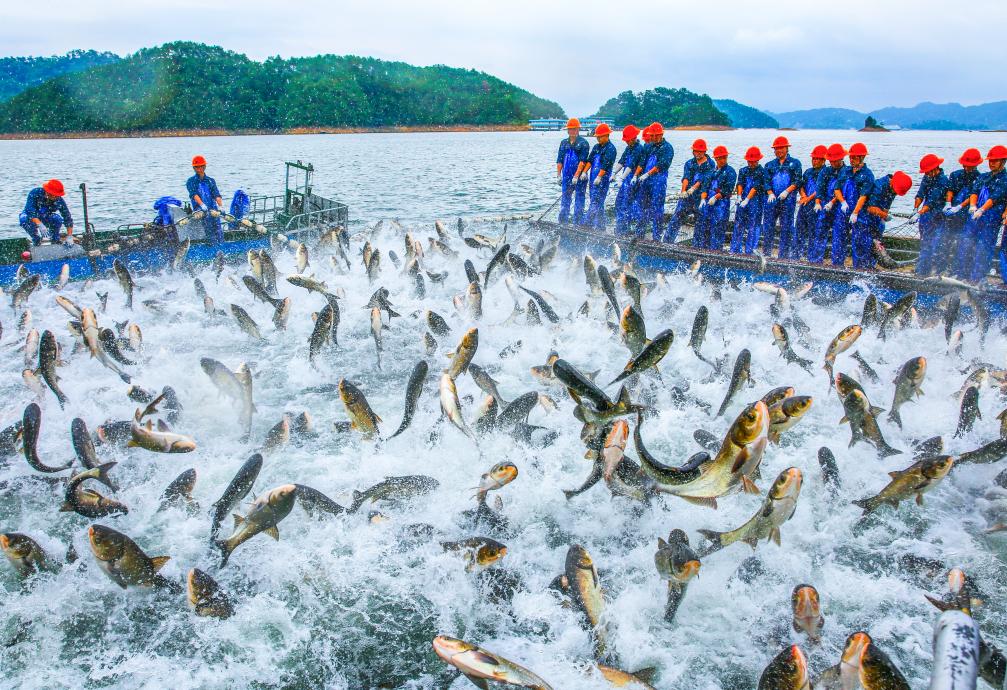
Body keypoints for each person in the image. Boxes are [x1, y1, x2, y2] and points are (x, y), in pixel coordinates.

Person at [956, 145, 1007, 283]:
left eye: (995, 161)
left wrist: (982, 209)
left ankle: (976, 279)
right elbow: (974, 191)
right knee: (965, 244)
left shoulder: (1005, 179)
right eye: (990, 160)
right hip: (974, 219)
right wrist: (973, 206)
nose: (991, 163)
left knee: (983, 249)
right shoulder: (983, 177)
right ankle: (961, 275)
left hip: (990, 220)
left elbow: (995, 197)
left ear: (1003, 161)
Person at [850, 170, 913, 269]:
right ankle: (860, 269)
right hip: (864, 219)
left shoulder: (894, 189)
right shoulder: (879, 186)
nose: (895, 193)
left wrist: (883, 218)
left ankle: (871, 267)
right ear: (892, 182)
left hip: (876, 221)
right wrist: (884, 215)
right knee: (863, 246)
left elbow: (887, 205)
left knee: (875, 246)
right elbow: (870, 208)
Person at [940, 148, 982, 276]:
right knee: (946, 242)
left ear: (976, 165)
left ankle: (961, 271)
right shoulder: (955, 174)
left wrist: (959, 206)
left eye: (970, 166)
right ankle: (946, 268)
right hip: (952, 216)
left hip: (966, 216)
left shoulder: (979, 178)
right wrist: (948, 203)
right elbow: (950, 189)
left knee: (964, 243)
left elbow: (973, 195)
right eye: (965, 165)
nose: (967, 168)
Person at [831, 142, 874, 267]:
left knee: (859, 242)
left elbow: (863, 196)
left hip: (859, 213)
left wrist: (855, 212)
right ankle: (836, 266)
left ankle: (859, 269)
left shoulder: (867, 175)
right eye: (850, 157)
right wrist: (842, 202)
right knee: (838, 240)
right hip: (843, 211)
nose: (851, 160)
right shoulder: (845, 171)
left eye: (854, 157)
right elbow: (837, 189)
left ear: (862, 157)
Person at [664, 139, 714, 243]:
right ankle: (667, 242)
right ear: (693, 151)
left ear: (705, 151)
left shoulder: (710, 164)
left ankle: (697, 246)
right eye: (696, 151)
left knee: (701, 223)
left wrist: (693, 188)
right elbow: (686, 177)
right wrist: (683, 191)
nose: (698, 153)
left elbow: (704, 179)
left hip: (701, 197)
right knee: (676, 218)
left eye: (700, 151)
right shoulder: (689, 163)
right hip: (687, 198)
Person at [632, 122, 674, 241]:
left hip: (658, 182)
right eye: (651, 135)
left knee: (657, 209)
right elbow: (642, 162)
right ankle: (639, 234)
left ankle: (656, 237)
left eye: (655, 135)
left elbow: (662, 164)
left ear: (661, 134)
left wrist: (648, 174)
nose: (653, 138)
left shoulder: (667, 148)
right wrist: (636, 175)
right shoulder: (648, 146)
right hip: (646, 183)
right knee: (642, 207)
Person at [762, 136, 803, 257]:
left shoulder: (795, 163)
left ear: (787, 148)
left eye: (781, 148)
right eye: (776, 149)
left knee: (786, 228)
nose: (778, 151)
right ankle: (766, 254)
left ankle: (783, 255)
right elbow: (766, 181)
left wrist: (787, 191)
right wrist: (769, 192)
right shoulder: (769, 165)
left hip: (788, 201)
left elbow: (797, 180)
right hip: (772, 200)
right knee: (768, 227)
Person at [808, 144, 847, 263]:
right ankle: (816, 260)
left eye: (835, 161)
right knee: (819, 232)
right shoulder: (826, 171)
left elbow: (841, 189)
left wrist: (833, 202)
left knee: (838, 236)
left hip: (840, 207)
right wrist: (818, 202)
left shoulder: (846, 171)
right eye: (831, 161)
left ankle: (837, 262)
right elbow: (820, 187)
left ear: (841, 159)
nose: (833, 163)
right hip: (825, 206)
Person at [913, 154, 950, 276]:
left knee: (937, 245)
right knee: (925, 244)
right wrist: (915, 209)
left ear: (936, 168)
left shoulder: (943, 180)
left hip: (938, 218)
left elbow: (932, 200)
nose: (927, 174)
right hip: (926, 218)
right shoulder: (927, 177)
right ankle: (923, 270)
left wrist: (919, 212)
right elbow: (920, 194)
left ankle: (939, 273)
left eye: (928, 171)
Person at [695, 145, 736, 250]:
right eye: (720, 158)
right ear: (716, 158)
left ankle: (716, 251)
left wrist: (716, 197)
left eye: (724, 157)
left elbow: (728, 189)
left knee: (718, 229)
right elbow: (705, 187)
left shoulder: (730, 172)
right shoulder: (711, 171)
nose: (723, 160)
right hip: (708, 204)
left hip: (721, 205)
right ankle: (702, 250)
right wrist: (703, 199)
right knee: (705, 227)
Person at [793, 145, 827, 260]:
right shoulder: (808, 172)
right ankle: (796, 255)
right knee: (799, 230)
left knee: (815, 233)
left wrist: (809, 198)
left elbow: (821, 189)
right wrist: (803, 196)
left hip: (817, 206)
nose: (815, 161)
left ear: (824, 160)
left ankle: (813, 258)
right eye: (813, 158)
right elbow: (801, 185)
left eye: (817, 159)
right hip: (805, 205)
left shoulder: (826, 172)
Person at [731, 146, 767, 253]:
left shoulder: (762, 172)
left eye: (753, 161)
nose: (751, 163)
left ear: (758, 160)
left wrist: (747, 199)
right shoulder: (743, 171)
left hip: (756, 202)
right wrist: (739, 196)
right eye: (749, 161)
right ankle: (735, 249)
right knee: (738, 225)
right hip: (742, 202)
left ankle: (750, 251)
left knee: (753, 227)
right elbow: (740, 183)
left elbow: (755, 187)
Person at [555, 119, 590, 225]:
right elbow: (560, 160)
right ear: (567, 130)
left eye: (574, 129)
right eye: (570, 129)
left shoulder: (583, 143)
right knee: (565, 199)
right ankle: (562, 222)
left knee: (579, 199)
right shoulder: (563, 143)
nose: (572, 131)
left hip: (579, 177)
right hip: (566, 176)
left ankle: (577, 223)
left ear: (578, 129)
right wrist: (558, 175)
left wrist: (576, 176)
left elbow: (583, 161)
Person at [19, 179, 74, 246]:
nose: (56, 197)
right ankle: (36, 239)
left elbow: (67, 217)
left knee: (57, 219)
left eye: (57, 196)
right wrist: (39, 224)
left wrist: (70, 236)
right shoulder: (35, 193)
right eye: (54, 195)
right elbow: (30, 211)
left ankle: (55, 240)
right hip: (31, 218)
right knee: (23, 219)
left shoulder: (59, 201)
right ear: (47, 192)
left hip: (46, 217)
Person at [584, 124, 618, 229]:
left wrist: (599, 177)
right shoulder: (596, 147)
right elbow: (590, 161)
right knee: (597, 203)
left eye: (600, 136)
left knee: (596, 202)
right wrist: (584, 172)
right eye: (597, 137)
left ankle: (586, 225)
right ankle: (600, 226)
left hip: (602, 180)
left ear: (606, 135)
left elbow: (606, 165)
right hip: (593, 179)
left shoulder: (611, 149)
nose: (598, 139)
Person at [186, 155, 226, 244]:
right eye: (197, 167)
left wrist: (220, 206)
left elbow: (216, 194)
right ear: (194, 168)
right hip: (200, 210)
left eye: (201, 166)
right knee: (209, 230)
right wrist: (202, 205)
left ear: (204, 166)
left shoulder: (210, 180)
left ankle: (221, 247)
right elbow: (194, 195)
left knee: (218, 230)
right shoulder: (191, 181)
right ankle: (212, 247)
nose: (199, 168)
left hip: (213, 209)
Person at [613, 125, 644, 236]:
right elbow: (622, 161)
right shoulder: (628, 148)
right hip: (625, 180)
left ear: (633, 138)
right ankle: (620, 226)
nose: (626, 142)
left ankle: (626, 229)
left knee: (627, 204)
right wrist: (614, 173)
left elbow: (631, 165)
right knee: (618, 203)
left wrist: (622, 177)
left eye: (627, 140)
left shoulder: (639, 148)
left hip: (633, 180)